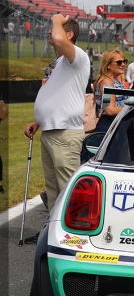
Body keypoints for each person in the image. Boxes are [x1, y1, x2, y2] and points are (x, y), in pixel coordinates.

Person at [24, 14, 89, 210]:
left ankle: (74, 235)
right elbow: (56, 94)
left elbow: (59, 39)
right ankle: (54, 231)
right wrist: (39, 121)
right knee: (53, 192)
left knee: (68, 192)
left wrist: (57, 18)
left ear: (69, 34)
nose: (50, 32)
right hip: (51, 131)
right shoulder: (59, 61)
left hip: (65, 134)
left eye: (55, 29)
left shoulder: (77, 56)